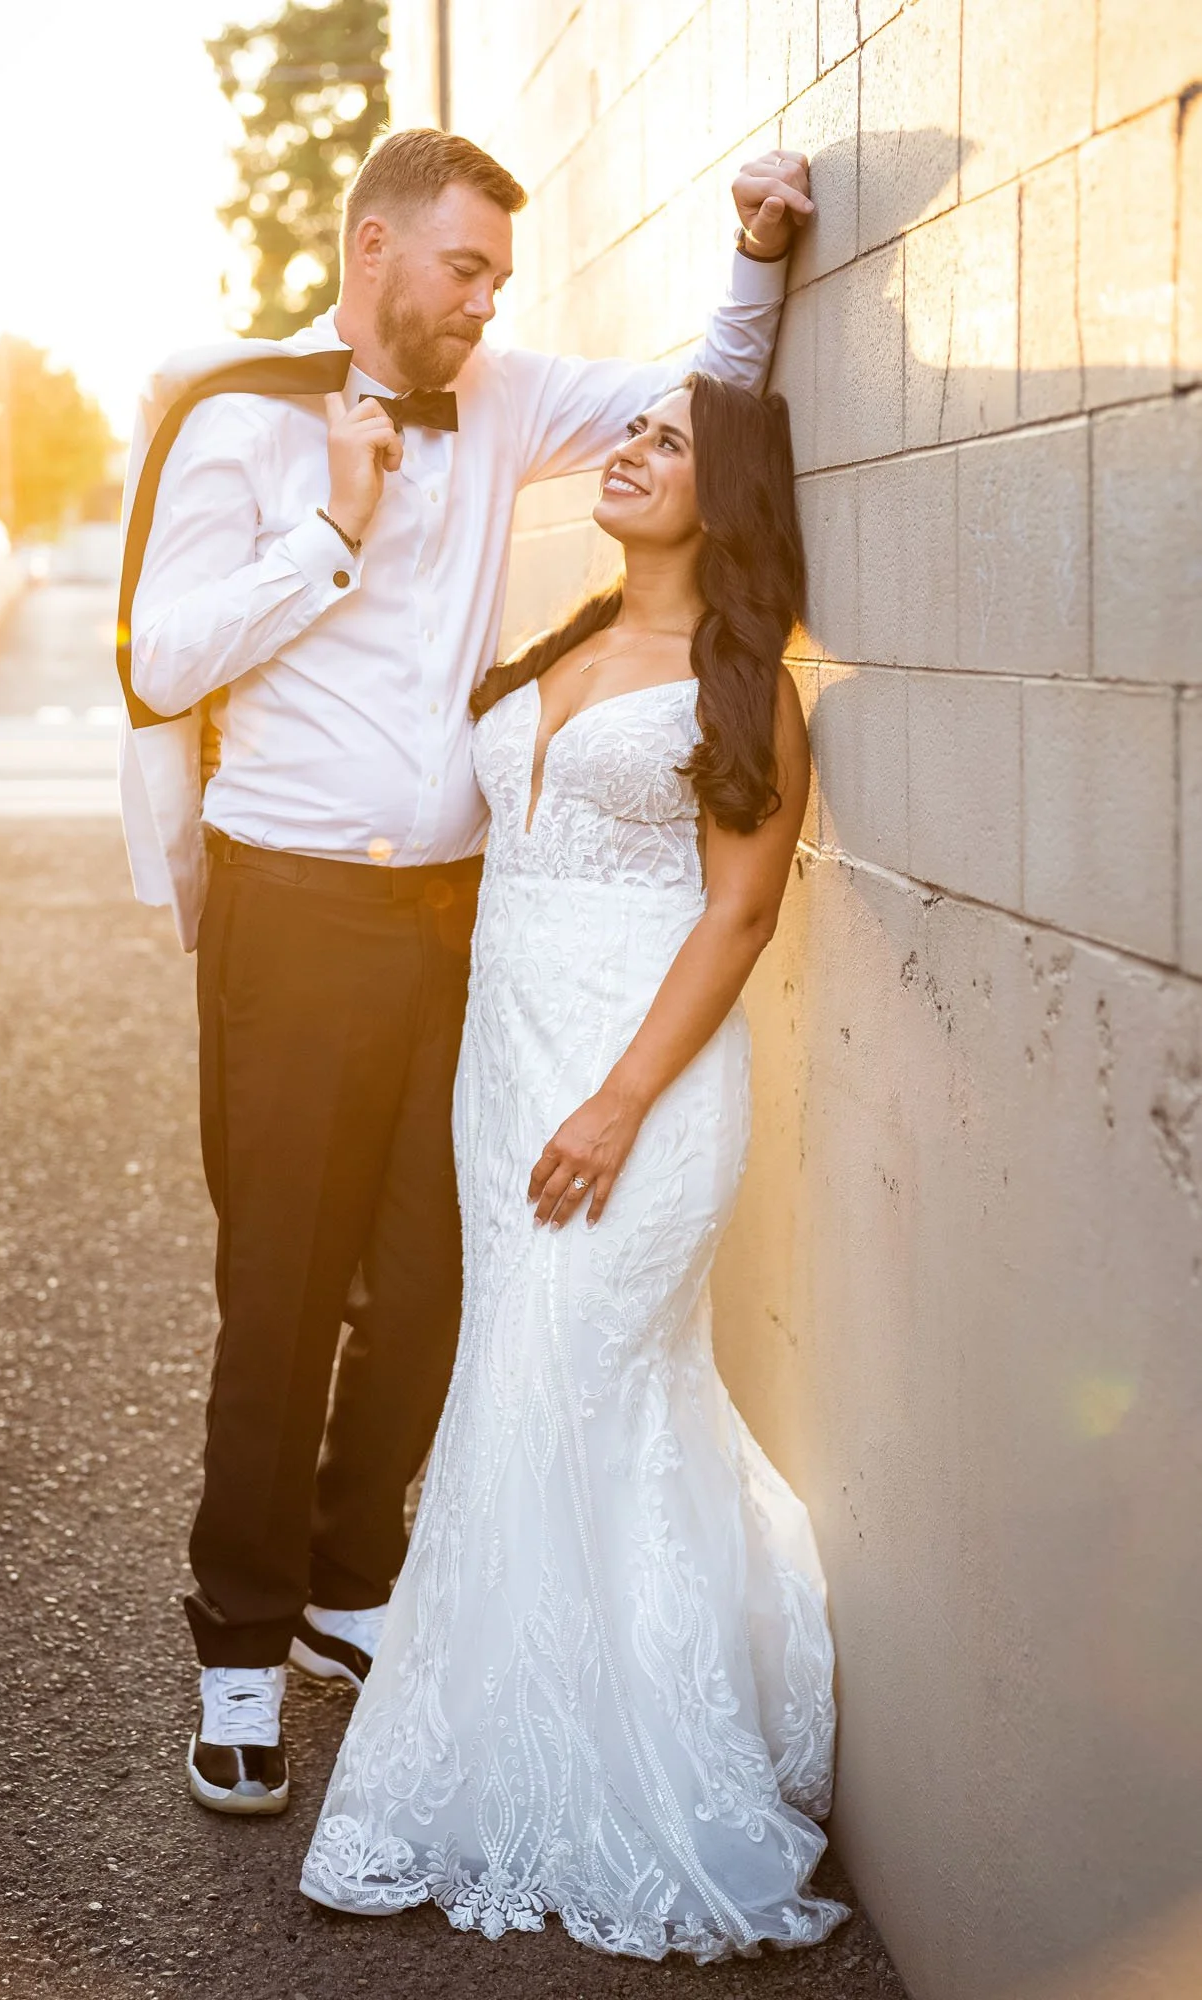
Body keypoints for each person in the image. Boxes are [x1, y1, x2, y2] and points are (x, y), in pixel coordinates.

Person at [117, 126, 813, 1815]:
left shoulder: (498, 398)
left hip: (459, 930)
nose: (488, 303)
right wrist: (333, 531)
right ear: (371, 253)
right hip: (297, 917)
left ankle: (354, 1580)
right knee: (281, 1295)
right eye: (464, 270)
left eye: (500, 276)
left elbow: (698, 402)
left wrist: (757, 256)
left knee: (431, 1283)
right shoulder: (235, 420)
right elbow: (159, 659)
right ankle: (239, 1650)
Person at [300, 370, 847, 1960]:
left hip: (637, 1091)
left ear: (726, 494)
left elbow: (739, 919)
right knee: (544, 1395)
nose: (633, 449)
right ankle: (510, 1737)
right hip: (506, 1071)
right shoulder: (566, 640)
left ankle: (613, 1770)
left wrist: (615, 1104)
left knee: (560, 1388)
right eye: (634, 429)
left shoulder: (744, 683)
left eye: (670, 442)